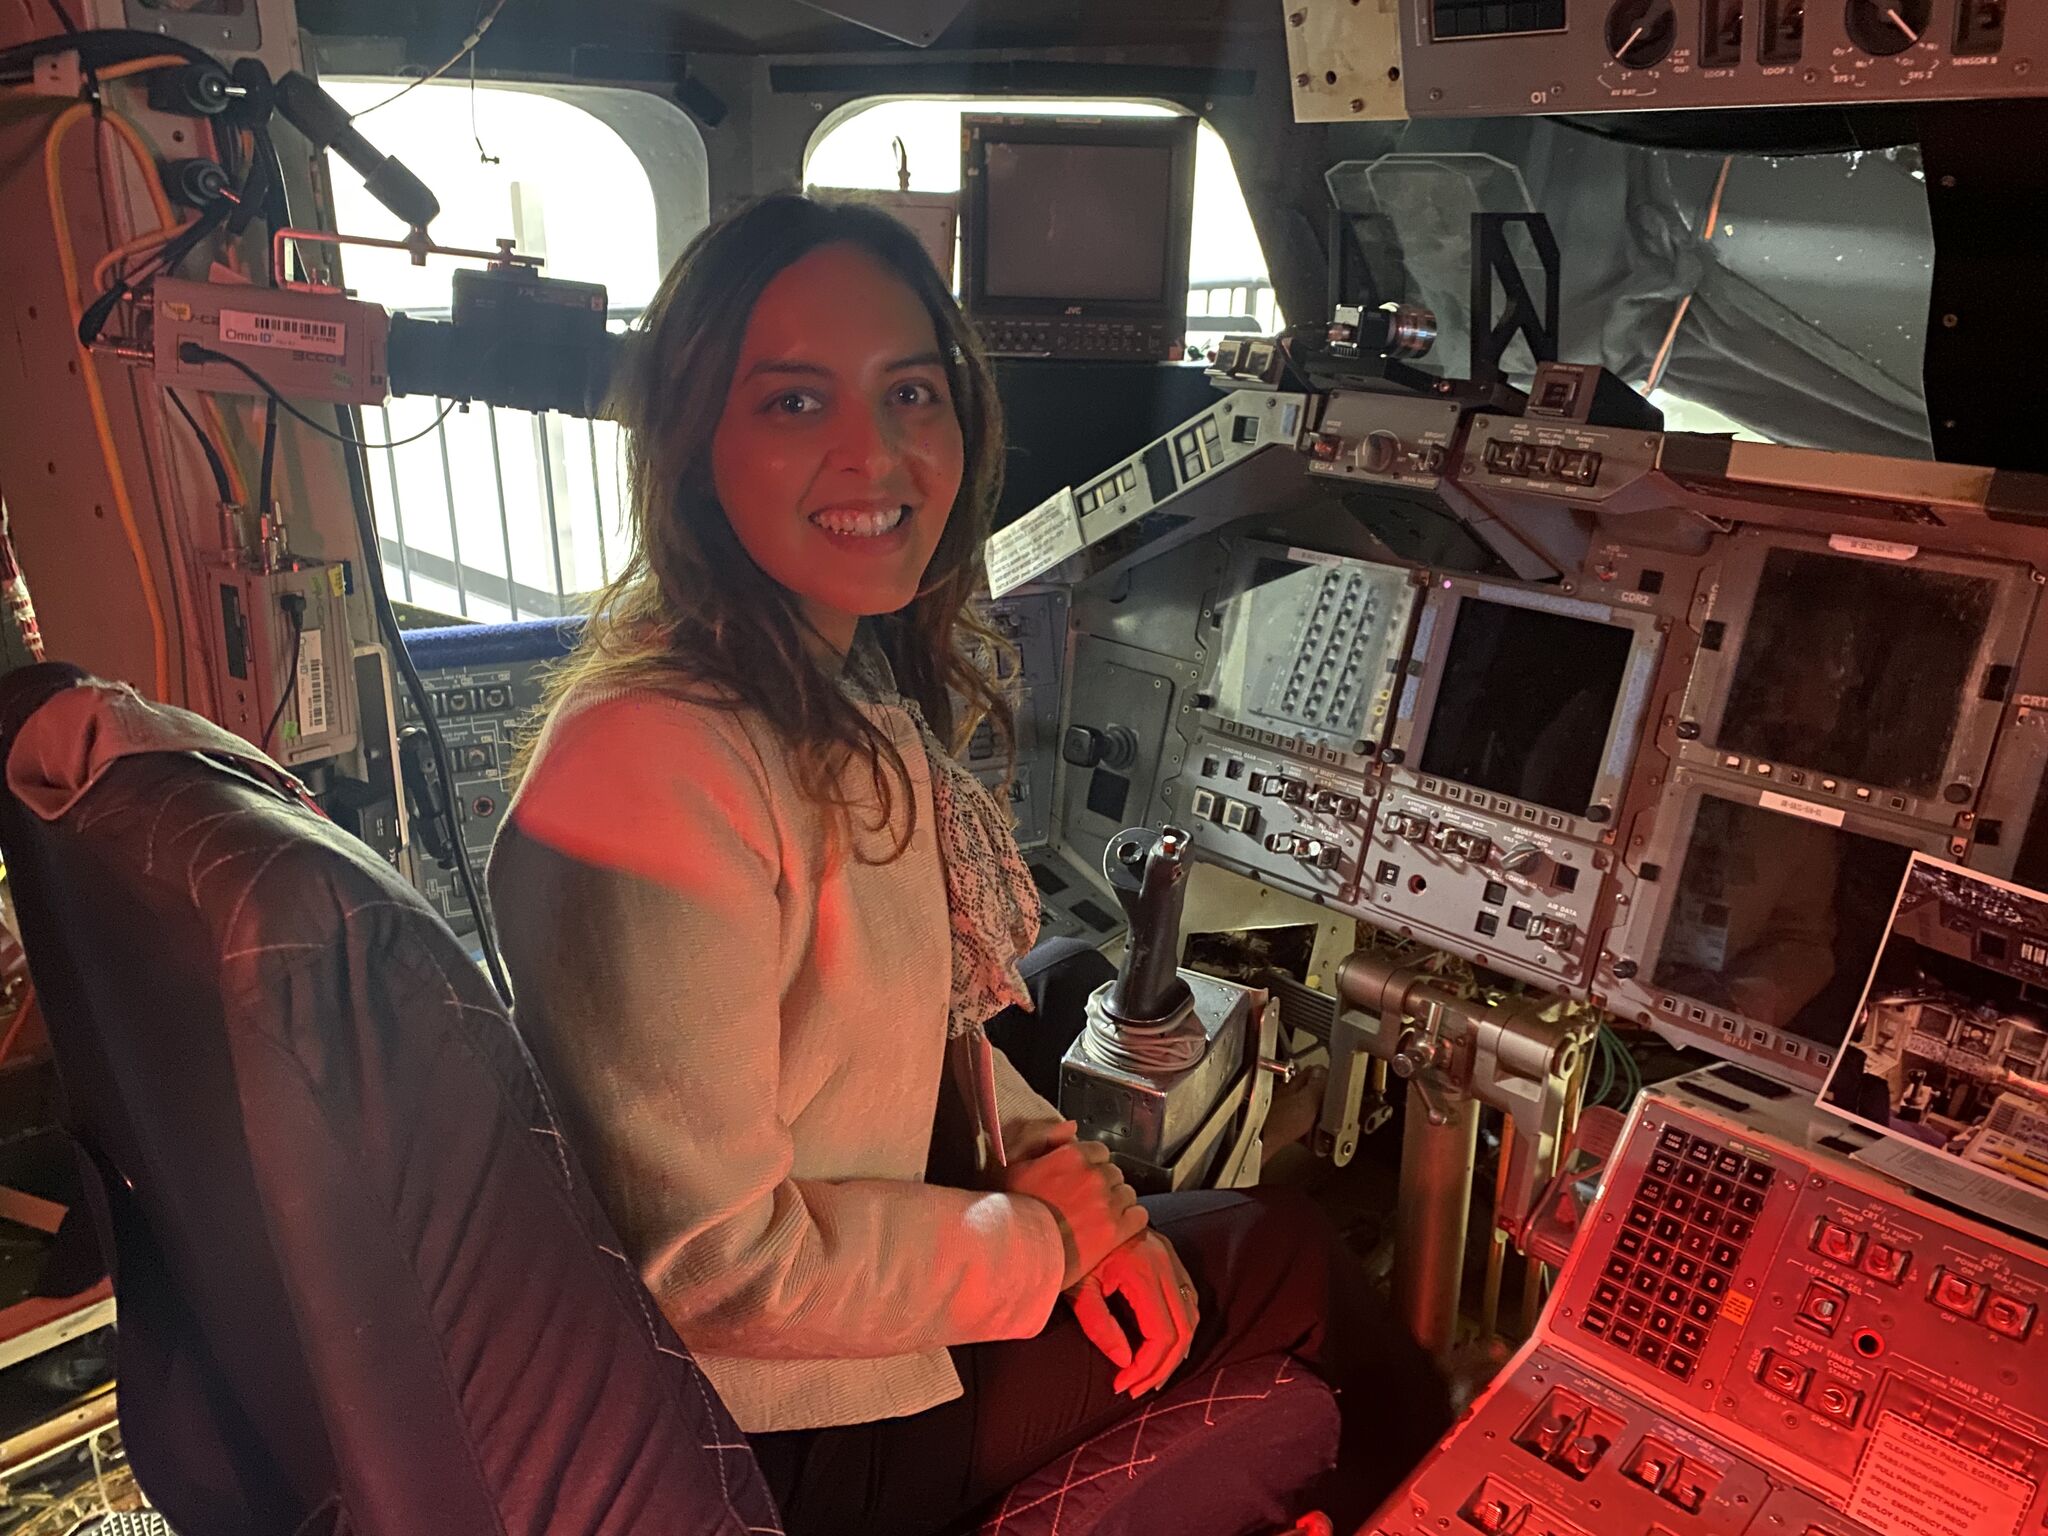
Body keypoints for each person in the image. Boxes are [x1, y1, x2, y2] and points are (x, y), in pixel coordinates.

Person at [488, 192, 1448, 1536]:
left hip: (813, 1343)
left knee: (1070, 1014)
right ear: (693, 440)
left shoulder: (811, 685)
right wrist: (1045, 1247)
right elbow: (718, 1271)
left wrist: (1084, 1201)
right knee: (1288, 1257)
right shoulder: (654, 755)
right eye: (794, 402)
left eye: (911, 394)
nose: (876, 455)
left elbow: (922, 1038)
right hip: (773, 1431)